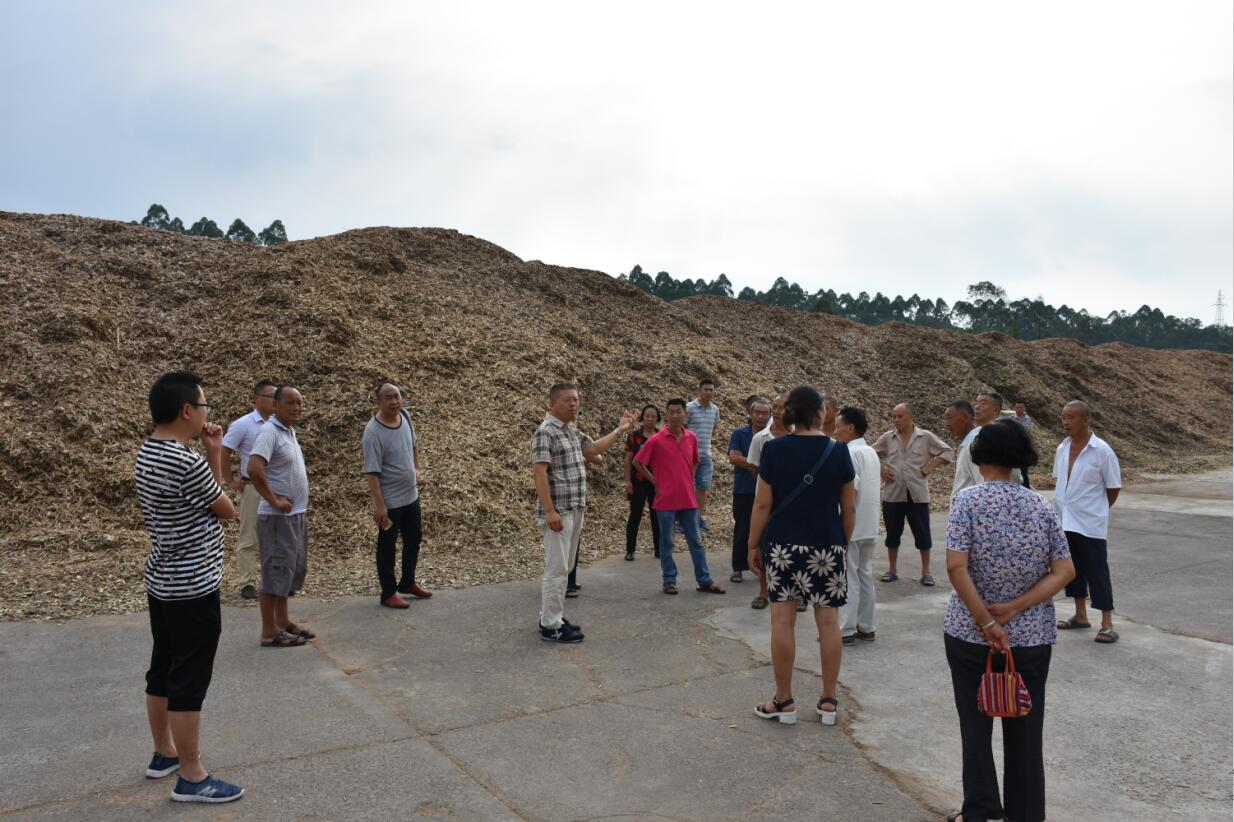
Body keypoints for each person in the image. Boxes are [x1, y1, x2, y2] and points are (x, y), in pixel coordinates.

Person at [944, 419, 1075, 822]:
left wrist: (987, 622)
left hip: (970, 634)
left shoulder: (967, 502)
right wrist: (1017, 607)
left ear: (980, 455)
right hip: (1030, 638)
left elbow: (956, 567)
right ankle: (1026, 813)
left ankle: (981, 810)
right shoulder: (1041, 505)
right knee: (1026, 730)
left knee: (975, 727)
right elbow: (1065, 571)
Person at [134, 371, 244, 803]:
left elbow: (203, 501)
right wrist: (211, 456)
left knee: (163, 666)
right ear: (186, 410)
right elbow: (225, 508)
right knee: (189, 678)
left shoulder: (148, 452)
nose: (205, 413)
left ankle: (164, 753)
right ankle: (192, 775)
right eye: (203, 406)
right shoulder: (184, 461)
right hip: (193, 586)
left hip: (163, 580)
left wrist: (211, 451)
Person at [748, 386, 856, 726]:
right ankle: (828, 700)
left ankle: (784, 700)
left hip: (783, 547)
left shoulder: (774, 450)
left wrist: (752, 544)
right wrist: (842, 543)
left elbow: (762, 504)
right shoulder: (839, 451)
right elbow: (849, 506)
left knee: (783, 621)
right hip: (827, 545)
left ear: (791, 413)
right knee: (829, 623)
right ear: (820, 413)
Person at [531, 384, 634, 643]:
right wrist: (550, 511)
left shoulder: (571, 430)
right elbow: (539, 472)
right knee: (556, 568)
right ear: (551, 404)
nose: (574, 404)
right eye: (568, 400)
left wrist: (619, 430)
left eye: (576, 400)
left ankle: (552, 616)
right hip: (559, 511)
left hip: (575, 507)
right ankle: (551, 626)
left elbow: (593, 449)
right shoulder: (545, 431)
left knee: (566, 567)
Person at [634, 398, 726, 596]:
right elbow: (637, 462)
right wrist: (655, 481)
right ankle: (669, 580)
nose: (675, 415)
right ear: (666, 415)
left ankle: (704, 580)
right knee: (667, 541)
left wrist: (688, 478)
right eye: (671, 412)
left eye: (679, 412)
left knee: (696, 541)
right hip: (665, 500)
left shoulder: (691, 438)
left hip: (688, 499)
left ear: (685, 415)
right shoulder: (656, 440)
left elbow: (696, 461)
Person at [248, 385, 314, 648]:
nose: (297, 407)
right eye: (291, 402)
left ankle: (283, 621)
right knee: (275, 570)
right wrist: (273, 499)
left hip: (295, 515)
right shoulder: (269, 432)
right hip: (277, 518)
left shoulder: (288, 431)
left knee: (288, 570)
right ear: (275, 405)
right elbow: (254, 468)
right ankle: (268, 631)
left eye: (300, 402)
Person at [1052, 400, 1122, 644]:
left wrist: (1097, 509)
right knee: (1072, 570)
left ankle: (1107, 623)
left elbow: (1113, 487)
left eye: (1071, 417)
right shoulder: (1062, 448)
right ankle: (1080, 615)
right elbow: (1060, 481)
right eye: (1063, 416)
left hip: (1089, 522)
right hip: (1064, 519)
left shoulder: (1102, 451)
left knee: (1097, 570)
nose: (1065, 422)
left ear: (1085, 420)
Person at [363, 382, 431, 609]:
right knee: (387, 546)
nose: (394, 402)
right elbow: (372, 472)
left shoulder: (405, 416)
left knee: (414, 538)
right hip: (390, 500)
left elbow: (414, 445)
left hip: (411, 494)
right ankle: (388, 592)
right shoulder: (373, 432)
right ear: (378, 402)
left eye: (397, 396)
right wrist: (379, 505)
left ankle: (408, 582)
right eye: (388, 398)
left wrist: (417, 469)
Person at [873, 404, 955, 586]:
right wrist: (881, 470)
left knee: (922, 534)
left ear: (910, 417)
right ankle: (892, 570)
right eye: (893, 416)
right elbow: (870, 453)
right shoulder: (888, 438)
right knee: (892, 534)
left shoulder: (925, 437)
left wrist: (930, 467)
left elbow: (948, 451)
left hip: (917, 494)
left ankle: (926, 572)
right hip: (893, 494)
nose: (896, 420)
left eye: (900, 416)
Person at [220, 380, 276, 600]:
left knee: (276, 535)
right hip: (253, 487)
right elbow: (225, 450)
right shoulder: (243, 424)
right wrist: (230, 480)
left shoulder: (278, 423)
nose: (274, 401)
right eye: (270, 396)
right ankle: (247, 582)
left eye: (276, 396)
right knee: (249, 536)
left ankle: (274, 579)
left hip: (276, 486)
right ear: (256, 398)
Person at [834, 406, 879, 645]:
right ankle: (867, 625)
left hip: (853, 524)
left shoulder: (849, 452)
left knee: (848, 576)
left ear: (850, 428)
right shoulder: (871, 452)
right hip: (869, 524)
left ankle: (846, 628)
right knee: (865, 574)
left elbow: (851, 492)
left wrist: (842, 522)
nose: (834, 430)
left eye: (838, 426)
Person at [747, 393, 791, 610]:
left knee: (794, 546)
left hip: (792, 503)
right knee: (763, 546)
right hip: (767, 502)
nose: (778, 411)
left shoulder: (798, 436)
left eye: (783, 407)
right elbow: (753, 467)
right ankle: (764, 591)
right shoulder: (760, 439)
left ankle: (796, 592)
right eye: (775, 406)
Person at [728, 398, 770, 582]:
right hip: (744, 488)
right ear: (750, 414)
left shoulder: (772, 436)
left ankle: (764, 567)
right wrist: (759, 464)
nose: (760, 416)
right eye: (757, 412)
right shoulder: (739, 434)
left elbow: (741, 459)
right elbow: (733, 457)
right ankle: (738, 567)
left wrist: (746, 461)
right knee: (742, 528)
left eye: (765, 413)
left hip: (767, 490)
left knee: (766, 529)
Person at [624, 405, 663, 561]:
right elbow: (628, 459)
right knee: (635, 515)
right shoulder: (634, 436)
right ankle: (630, 550)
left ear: (657, 418)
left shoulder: (661, 436)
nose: (650, 419)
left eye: (653, 416)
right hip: (637, 481)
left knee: (657, 515)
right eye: (647, 416)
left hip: (656, 482)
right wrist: (627, 480)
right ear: (643, 418)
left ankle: (659, 549)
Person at [685, 379, 720, 531]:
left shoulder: (715, 409)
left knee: (702, 487)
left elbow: (714, 428)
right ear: (699, 391)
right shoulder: (689, 408)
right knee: (686, 486)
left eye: (711, 390)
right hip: (688, 454)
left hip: (706, 454)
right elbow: (682, 428)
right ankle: (683, 519)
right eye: (706, 389)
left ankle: (698, 518)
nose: (709, 392)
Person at [974, 391, 1022, 485]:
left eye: (983, 403)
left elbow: (1015, 475)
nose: (976, 407)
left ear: (995, 409)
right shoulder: (972, 435)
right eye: (977, 402)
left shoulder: (1003, 437)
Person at [946, 400, 983, 496]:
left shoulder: (976, 444)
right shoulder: (969, 443)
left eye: (949, 418)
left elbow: (983, 484)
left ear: (965, 418)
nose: (947, 424)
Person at [1012, 402, 1034, 488]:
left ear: (1024, 409)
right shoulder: (1011, 419)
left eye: (1021, 407)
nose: (1019, 409)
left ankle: (1026, 488)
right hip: (1014, 448)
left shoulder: (1028, 419)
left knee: (1024, 471)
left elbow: (1029, 433)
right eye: (1017, 407)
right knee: (1015, 470)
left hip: (1025, 448)